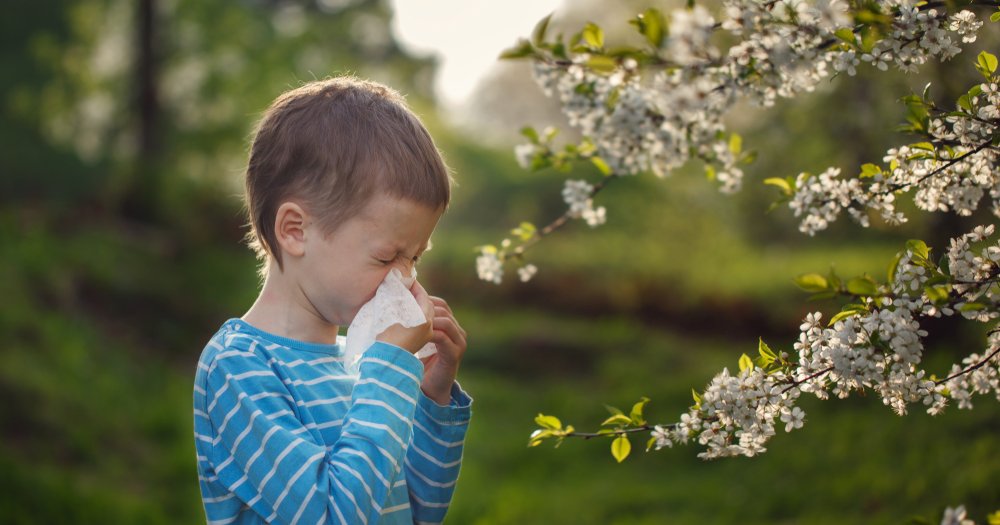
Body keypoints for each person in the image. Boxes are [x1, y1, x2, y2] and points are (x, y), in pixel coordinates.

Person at [192, 76, 472, 525]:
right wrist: (388, 372)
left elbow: (418, 514)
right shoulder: (238, 367)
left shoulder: (358, 363)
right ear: (295, 230)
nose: (403, 278)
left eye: (414, 257)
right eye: (386, 256)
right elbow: (331, 514)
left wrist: (430, 397)